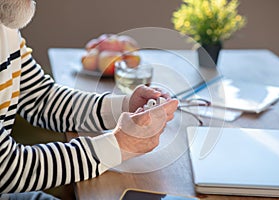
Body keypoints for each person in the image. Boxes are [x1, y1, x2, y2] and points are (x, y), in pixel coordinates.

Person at [0, 0, 178, 199]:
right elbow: (6, 169)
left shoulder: (6, 21)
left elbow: (41, 99)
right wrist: (120, 145)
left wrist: (125, 106)